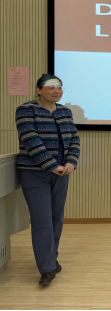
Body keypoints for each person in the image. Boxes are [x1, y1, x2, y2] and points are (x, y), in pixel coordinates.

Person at [15, 74, 80, 286]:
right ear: (39, 90)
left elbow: (74, 139)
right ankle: (46, 268)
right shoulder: (26, 110)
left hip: (62, 173)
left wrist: (71, 162)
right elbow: (31, 140)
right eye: (51, 87)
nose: (57, 90)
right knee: (42, 220)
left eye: (59, 87)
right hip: (34, 173)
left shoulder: (65, 112)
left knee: (56, 219)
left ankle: (51, 258)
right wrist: (52, 165)